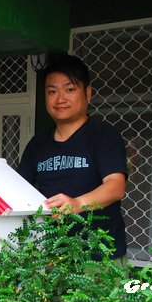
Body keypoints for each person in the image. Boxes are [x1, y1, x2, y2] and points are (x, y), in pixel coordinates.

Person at [17, 54, 129, 261]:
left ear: (87, 93)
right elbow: (17, 189)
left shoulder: (102, 134)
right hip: (48, 255)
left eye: (69, 90)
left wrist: (78, 203)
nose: (60, 99)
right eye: (52, 91)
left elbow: (116, 186)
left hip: (98, 257)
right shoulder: (37, 145)